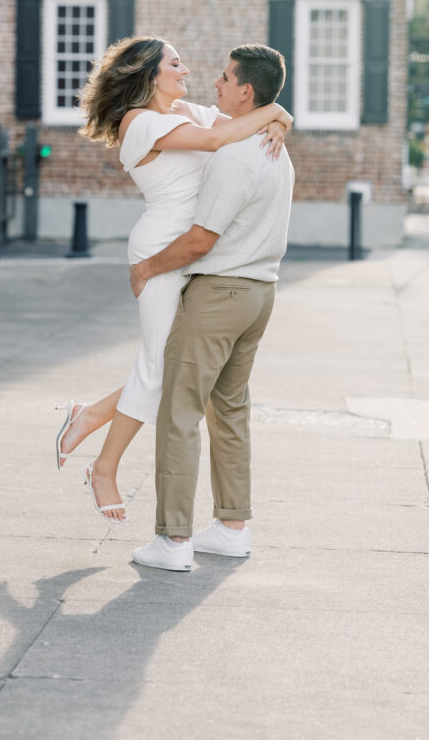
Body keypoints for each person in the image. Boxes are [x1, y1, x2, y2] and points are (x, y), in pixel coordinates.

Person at [54, 36, 292, 523]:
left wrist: (280, 117)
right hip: (161, 249)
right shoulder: (138, 123)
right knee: (161, 365)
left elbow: (246, 122)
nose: (186, 71)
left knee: (171, 365)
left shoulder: (190, 111)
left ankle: (92, 416)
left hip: (194, 253)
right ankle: (104, 466)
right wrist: (277, 115)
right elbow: (218, 139)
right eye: (175, 64)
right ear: (148, 74)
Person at [128, 43, 295, 572]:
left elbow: (200, 241)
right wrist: (281, 117)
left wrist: (149, 266)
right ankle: (231, 528)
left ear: (246, 91)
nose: (215, 85)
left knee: (178, 413)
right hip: (261, 293)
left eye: (225, 79)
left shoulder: (234, 154)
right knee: (229, 410)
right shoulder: (277, 148)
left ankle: (173, 540)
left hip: (220, 294)